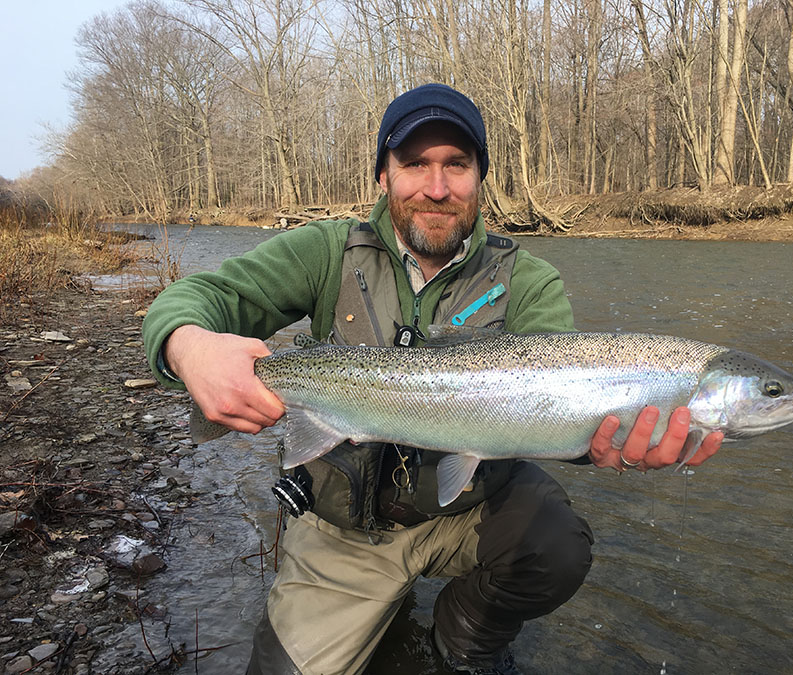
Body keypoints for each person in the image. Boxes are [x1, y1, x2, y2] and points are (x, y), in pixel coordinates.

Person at [142, 83, 722, 675]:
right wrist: (188, 347)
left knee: (557, 545)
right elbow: (197, 298)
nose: (436, 187)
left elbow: (558, 418)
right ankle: (376, 603)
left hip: (468, 512)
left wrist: (610, 443)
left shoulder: (529, 281)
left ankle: (465, 635)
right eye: (415, 163)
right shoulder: (326, 251)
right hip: (345, 532)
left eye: (456, 165)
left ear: (479, 178)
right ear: (383, 175)